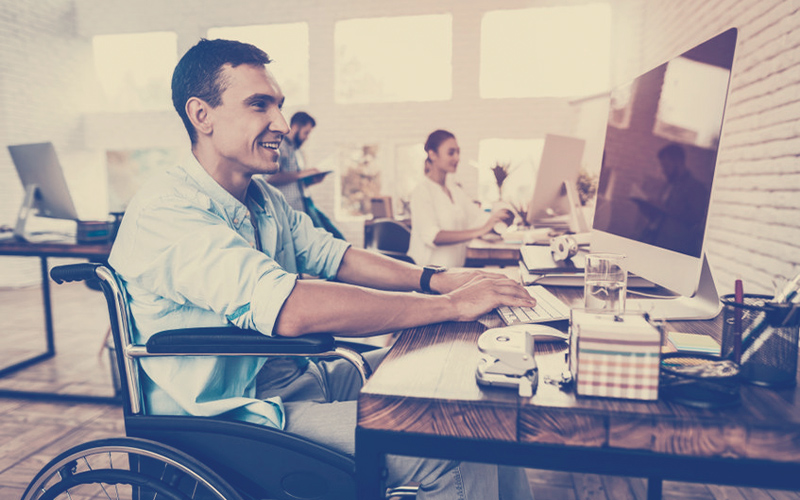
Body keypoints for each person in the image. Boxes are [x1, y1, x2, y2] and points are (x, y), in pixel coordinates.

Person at [108, 38, 535, 499]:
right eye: (259, 106)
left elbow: (337, 256)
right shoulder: (167, 210)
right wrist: (448, 305)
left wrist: (435, 279)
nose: (282, 124)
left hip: (296, 374)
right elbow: (292, 309)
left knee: (457, 394)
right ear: (201, 115)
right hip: (235, 415)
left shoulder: (262, 198)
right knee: (443, 441)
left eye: (279, 106)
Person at [408, 130, 513, 267]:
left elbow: (480, 219)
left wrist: (501, 216)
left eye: (458, 152)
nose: (457, 158)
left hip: (453, 273)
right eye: (451, 152)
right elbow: (434, 236)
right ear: (432, 154)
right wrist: (481, 230)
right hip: (428, 274)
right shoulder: (421, 192)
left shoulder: (455, 190)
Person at [267, 111, 344, 239]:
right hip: (292, 207)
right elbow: (270, 178)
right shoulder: (280, 147)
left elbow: (296, 181)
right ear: (296, 127)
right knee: (325, 240)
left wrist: (312, 180)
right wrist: (304, 173)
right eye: (306, 133)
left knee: (337, 237)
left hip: (306, 202)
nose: (307, 137)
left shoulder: (297, 151)